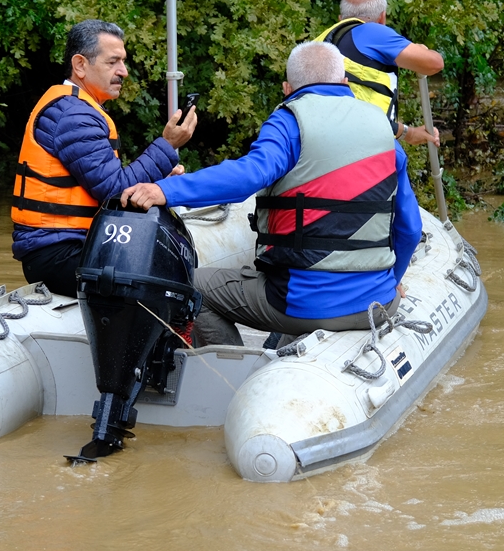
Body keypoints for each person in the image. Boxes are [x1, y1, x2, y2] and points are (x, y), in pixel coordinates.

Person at [121, 41, 422, 346]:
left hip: (305, 305)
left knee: (188, 284)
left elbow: (249, 175)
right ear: (345, 83)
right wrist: (392, 283)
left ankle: (232, 374)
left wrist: (165, 189)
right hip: (379, 304)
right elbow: (410, 230)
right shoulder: (385, 132)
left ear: (287, 87)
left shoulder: (289, 121)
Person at [11, 19, 198, 297]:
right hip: (58, 255)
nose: (123, 71)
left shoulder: (78, 108)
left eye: (123, 62)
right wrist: (167, 146)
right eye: (113, 62)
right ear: (80, 65)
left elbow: (110, 183)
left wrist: (156, 180)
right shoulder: (73, 116)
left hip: (74, 245)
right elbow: (113, 190)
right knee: (163, 284)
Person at [315, 0, 444, 146]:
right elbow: (434, 64)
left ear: (341, 19)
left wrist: (409, 134)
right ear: (382, 18)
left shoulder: (317, 43)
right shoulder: (371, 31)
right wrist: (423, 50)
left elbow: (358, 112)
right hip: (363, 149)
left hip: (321, 144)